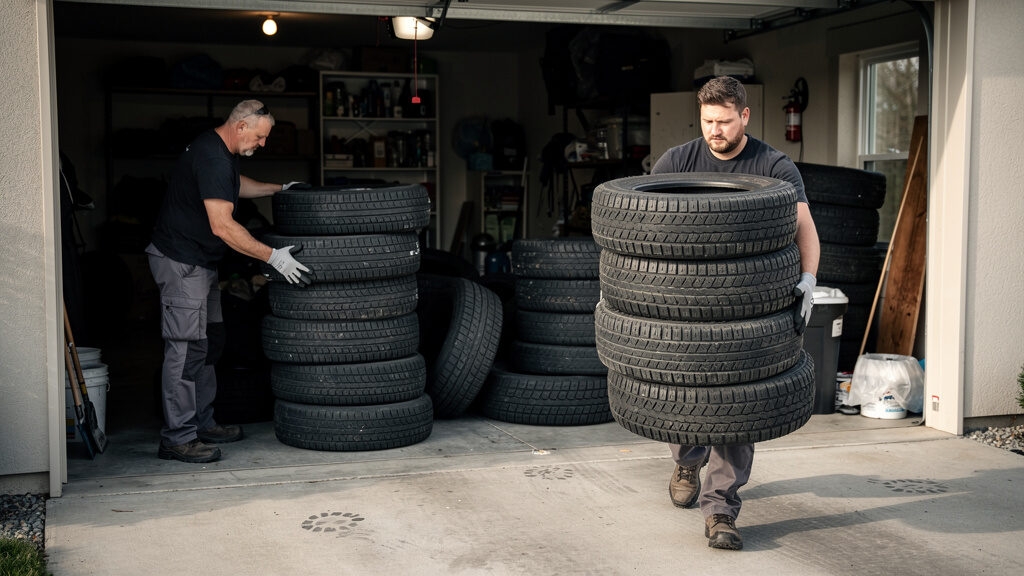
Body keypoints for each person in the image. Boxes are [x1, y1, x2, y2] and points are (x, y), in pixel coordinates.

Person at [651, 76, 820, 550]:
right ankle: (687, 459)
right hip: (682, 306)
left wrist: (808, 279)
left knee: (737, 406)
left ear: (744, 116)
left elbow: (805, 226)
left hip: (748, 309)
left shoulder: (773, 166)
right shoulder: (678, 161)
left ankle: (721, 509)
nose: (714, 131)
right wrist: (628, 290)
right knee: (678, 392)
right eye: (707, 121)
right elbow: (638, 225)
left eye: (724, 121)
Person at [146, 100, 312, 464]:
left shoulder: (219, 151)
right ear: (240, 126)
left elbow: (233, 186)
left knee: (210, 342)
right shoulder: (213, 157)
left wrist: (278, 187)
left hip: (201, 263)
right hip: (181, 262)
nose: (262, 144)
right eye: (260, 137)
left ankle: (202, 423)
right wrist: (273, 256)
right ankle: (177, 437)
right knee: (186, 349)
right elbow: (223, 226)